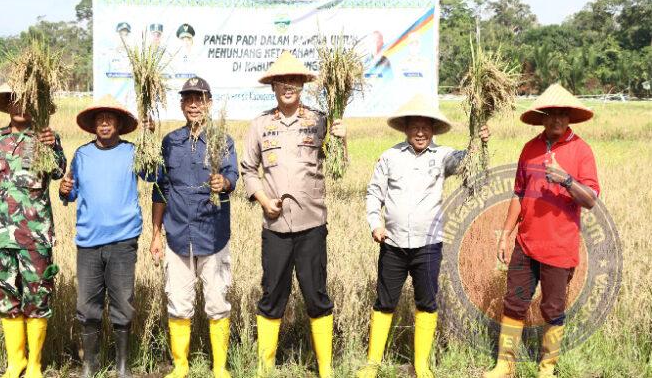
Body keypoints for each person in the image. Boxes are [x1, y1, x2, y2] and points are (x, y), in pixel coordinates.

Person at [358, 94, 489, 378]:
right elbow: (374, 194)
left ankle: (421, 364)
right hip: (392, 244)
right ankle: (372, 364)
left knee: (426, 302)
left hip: (428, 246)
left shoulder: (444, 157)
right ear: (405, 129)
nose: (420, 132)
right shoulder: (390, 157)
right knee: (385, 302)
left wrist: (480, 141)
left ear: (433, 129)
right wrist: (374, 224)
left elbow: (472, 166)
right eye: (415, 126)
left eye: (425, 126)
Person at [240, 50, 346, 377]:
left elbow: (339, 167)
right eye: (282, 81)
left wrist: (342, 141)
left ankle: (325, 368)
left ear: (302, 85)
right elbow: (248, 169)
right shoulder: (260, 125)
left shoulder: (319, 121)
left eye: (294, 81)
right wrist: (261, 198)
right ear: (273, 86)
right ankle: (265, 367)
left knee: (316, 294)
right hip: (275, 227)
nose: (288, 85)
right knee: (272, 294)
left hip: (312, 224)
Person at [484, 83, 599, 378]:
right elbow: (519, 194)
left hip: (560, 247)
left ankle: (547, 368)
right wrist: (507, 232)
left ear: (570, 117)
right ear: (542, 116)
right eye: (551, 114)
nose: (557, 120)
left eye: (562, 114)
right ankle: (505, 364)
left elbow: (591, 200)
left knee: (553, 307)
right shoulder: (530, 148)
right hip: (526, 244)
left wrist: (567, 180)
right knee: (514, 302)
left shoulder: (581, 150)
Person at [0, 83, 66, 378]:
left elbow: (60, 172)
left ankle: (35, 364)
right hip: (2, 235)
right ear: (6, 105)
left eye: (26, 100)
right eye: (14, 100)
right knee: (5, 295)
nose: (20, 105)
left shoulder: (46, 137)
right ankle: (16, 363)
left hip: (35, 237)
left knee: (38, 297)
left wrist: (52, 147)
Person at [59, 94, 154, 378]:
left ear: (119, 124)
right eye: (99, 119)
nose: (104, 123)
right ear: (93, 126)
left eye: (109, 118)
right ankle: (91, 364)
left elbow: (153, 174)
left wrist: (150, 140)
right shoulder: (81, 155)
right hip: (88, 241)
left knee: (123, 302)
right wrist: (64, 190)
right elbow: (71, 192)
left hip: (124, 240)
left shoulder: (133, 152)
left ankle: (122, 366)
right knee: (87, 305)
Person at [150, 77, 239, 378]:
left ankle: (220, 367)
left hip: (213, 235)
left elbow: (233, 178)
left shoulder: (222, 141)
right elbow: (160, 189)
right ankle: (180, 366)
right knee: (178, 301)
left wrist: (223, 183)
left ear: (209, 103)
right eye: (188, 99)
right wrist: (155, 235)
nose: (193, 104)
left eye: (199, 98)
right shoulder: (169, 142)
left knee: (217, 301)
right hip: (176, 235)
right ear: (181, 105)